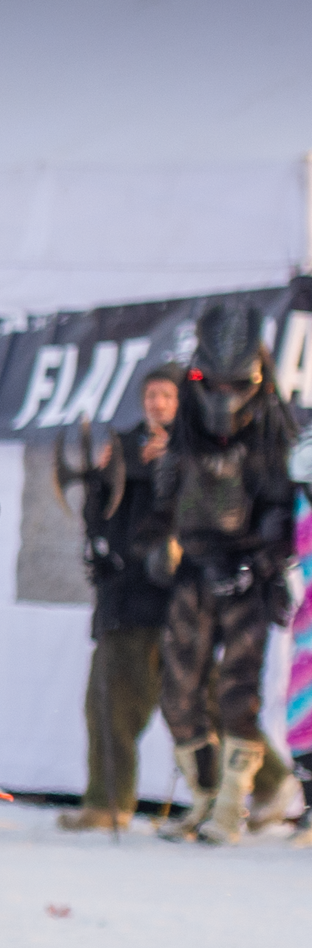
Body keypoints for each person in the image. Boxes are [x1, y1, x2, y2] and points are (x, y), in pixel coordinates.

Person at [143, 303, 301, 844]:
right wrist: (161, 548)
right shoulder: (185, 435)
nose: (224, 398)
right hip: (196, 572)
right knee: (179, 694)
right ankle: (207, 799)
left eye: (237, 384)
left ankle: (231, 808)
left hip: (247, 577)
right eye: (214, 383)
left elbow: (284, 513)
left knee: (239, 696)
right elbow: (165, 503)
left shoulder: (273, 437)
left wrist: (257, 563)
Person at [58, 364, 179, 831]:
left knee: (203, 703)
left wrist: (178, 459)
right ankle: (108, 804)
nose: (158, 403)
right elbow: (99, 516)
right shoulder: (122, 448)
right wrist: (104, 478)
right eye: (152, 394)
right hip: (125, 599)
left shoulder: (201, 449)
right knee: (109, 703)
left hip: (183, 603)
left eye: (167, 395)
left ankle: (260, 790)